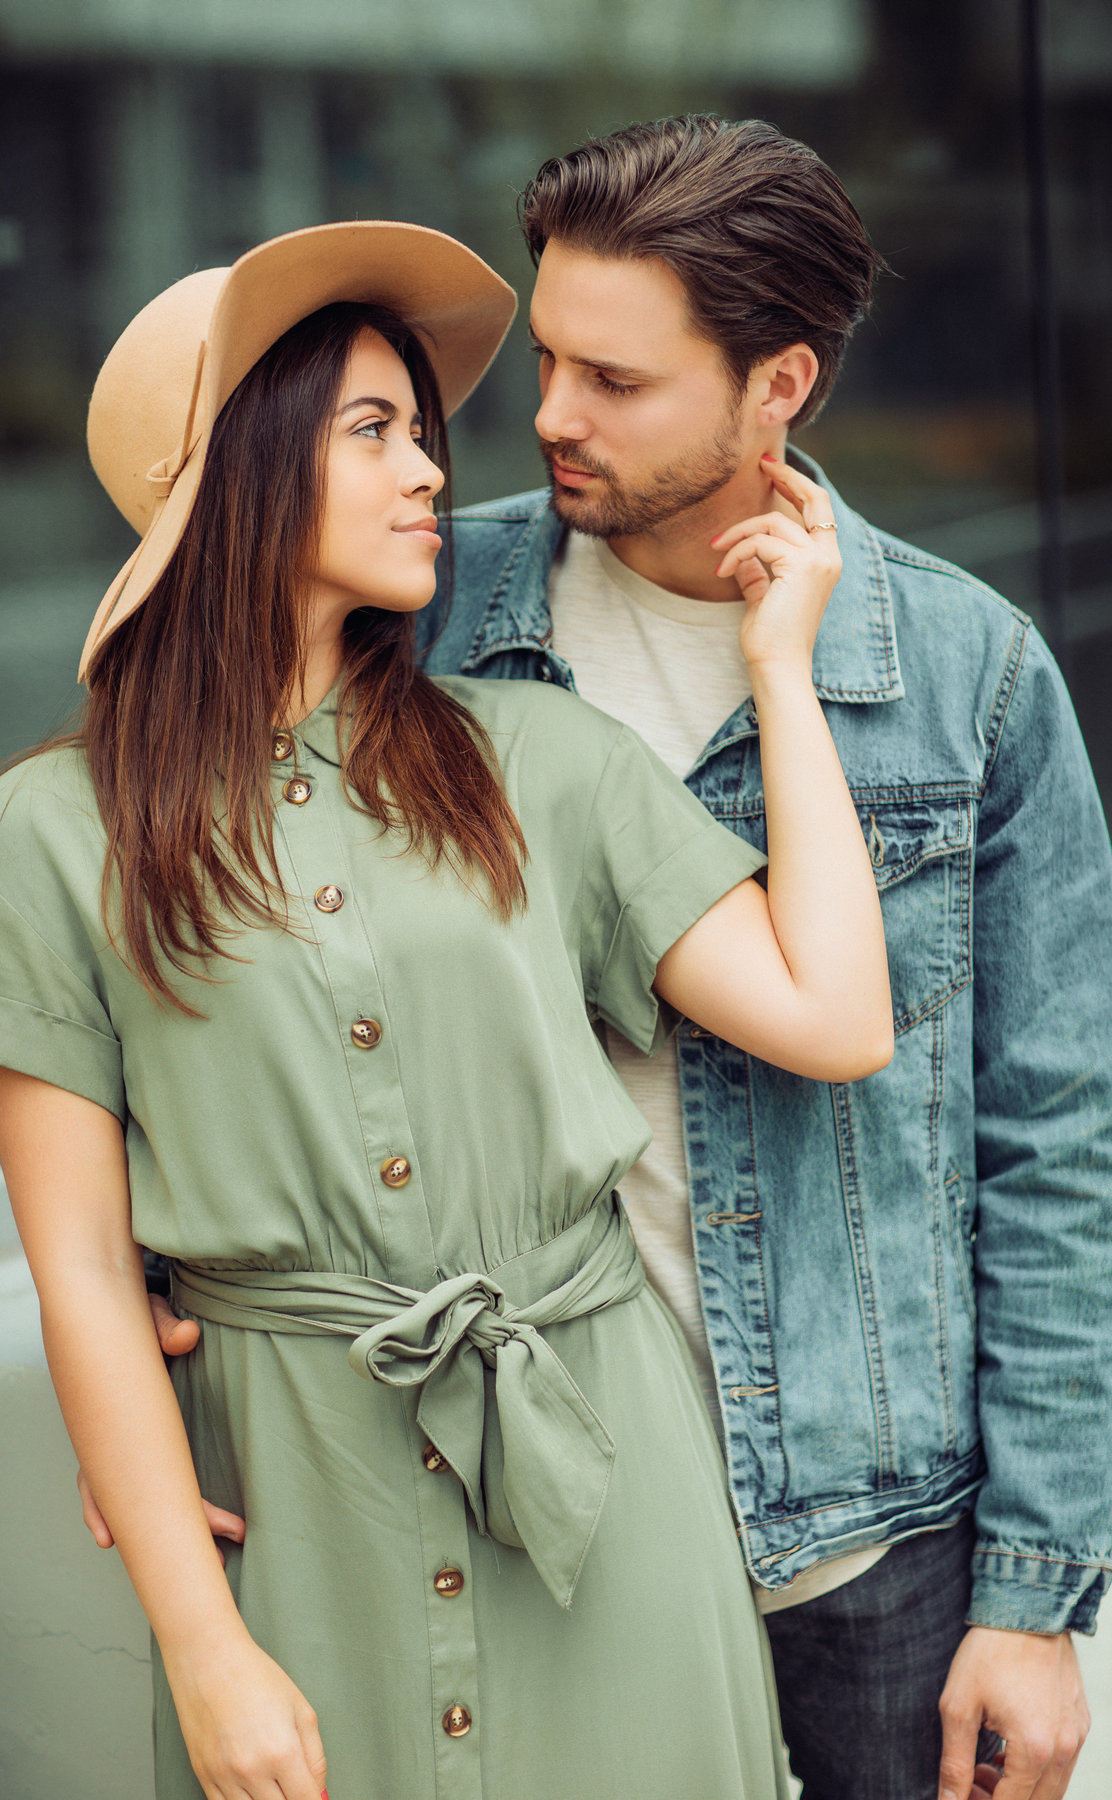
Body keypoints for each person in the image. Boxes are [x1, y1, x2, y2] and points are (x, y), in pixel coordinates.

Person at [141, 118, 1112, 1800]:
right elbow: (220, 915)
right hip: (527, 1499)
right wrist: (164, 1281)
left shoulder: (975, 679)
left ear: (778, 385)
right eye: (548, 355)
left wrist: (1034, 1598)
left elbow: (1058, 1153)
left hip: (871, 1531)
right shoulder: (422, 610)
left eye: (618, 378)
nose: (548, 416)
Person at [0, 221, 894, 1800]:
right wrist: (203, 1644)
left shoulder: (541, 762)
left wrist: (785, 669)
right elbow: (86, 1274)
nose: (435, 471)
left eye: (419, 434)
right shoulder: (48, 837)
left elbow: (836, 1014)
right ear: (236, 471)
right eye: (372, 431)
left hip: (607, 1490)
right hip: (306, 1515)